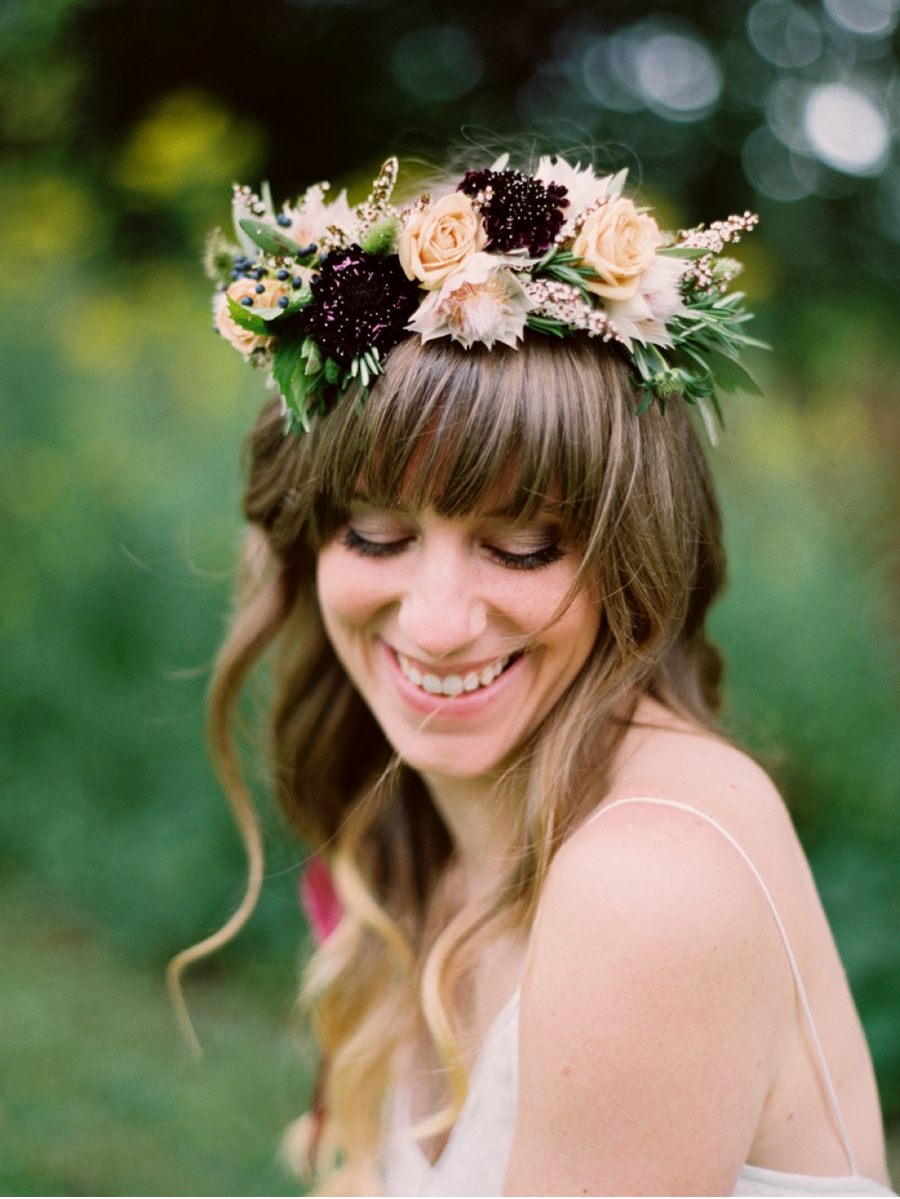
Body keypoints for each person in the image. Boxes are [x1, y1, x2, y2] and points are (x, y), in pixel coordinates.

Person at [171, 152, 895, 1196]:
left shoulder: (650, 881)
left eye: (520, 545)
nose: (436, 622)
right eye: (376, 532)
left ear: (634, 557)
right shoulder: (420, 831)